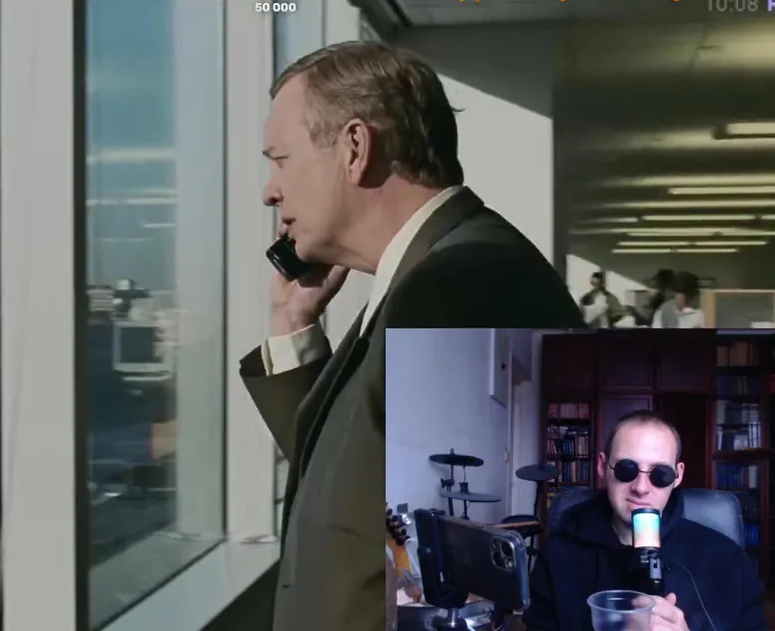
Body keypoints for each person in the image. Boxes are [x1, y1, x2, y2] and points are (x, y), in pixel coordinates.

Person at [238, 40, 585, 631]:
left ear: (355, 148)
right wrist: (294, 326)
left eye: (281, 160)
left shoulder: (456, 283)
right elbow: (348, 487)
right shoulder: (430, 273)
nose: (269, 190)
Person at [524, 411, 765, 631]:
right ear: (602, 466)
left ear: (678, 475)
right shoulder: (558, 557)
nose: (641, 488)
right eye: (626, 470)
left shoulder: (728, 560)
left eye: (660, 474)